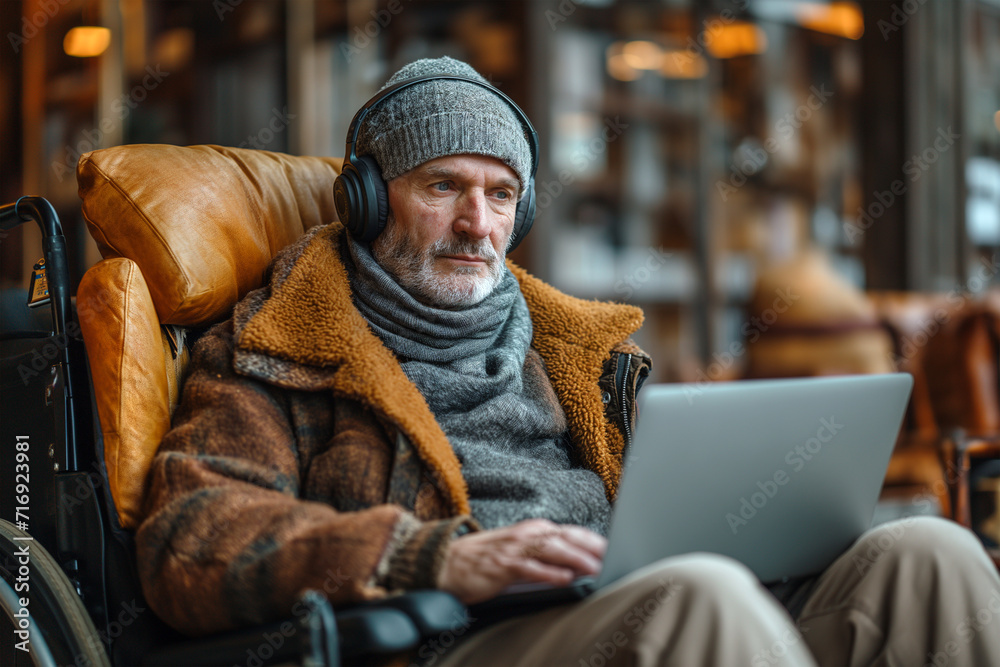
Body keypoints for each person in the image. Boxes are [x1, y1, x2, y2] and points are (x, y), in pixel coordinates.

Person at [136, 56, 1000, 666]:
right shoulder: (270, 348)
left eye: (501, 194)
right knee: (695, 598)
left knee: (931, 555)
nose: (479, 223)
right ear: (364, 202)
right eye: (443, 187)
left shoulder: (590, 354)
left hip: (636, 608)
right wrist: (427, 557)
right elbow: (190, 538)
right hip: (456, 636)